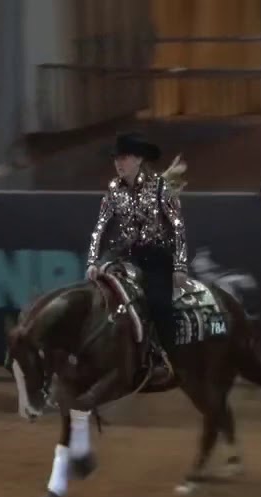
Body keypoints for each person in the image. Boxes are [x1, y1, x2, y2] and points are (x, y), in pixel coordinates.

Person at [85, 131, 189, 384]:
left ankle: (167, 359)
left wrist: (179, 265)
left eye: (124, 158)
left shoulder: (160, 187)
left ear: (139, 159)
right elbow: (100, 228)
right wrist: (92, 261)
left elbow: (177, 227)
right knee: (101, 297)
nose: (118, 163)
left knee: (158, 303)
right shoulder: (113, 190)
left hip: (156, 259)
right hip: (125, 258)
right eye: (116, 159)